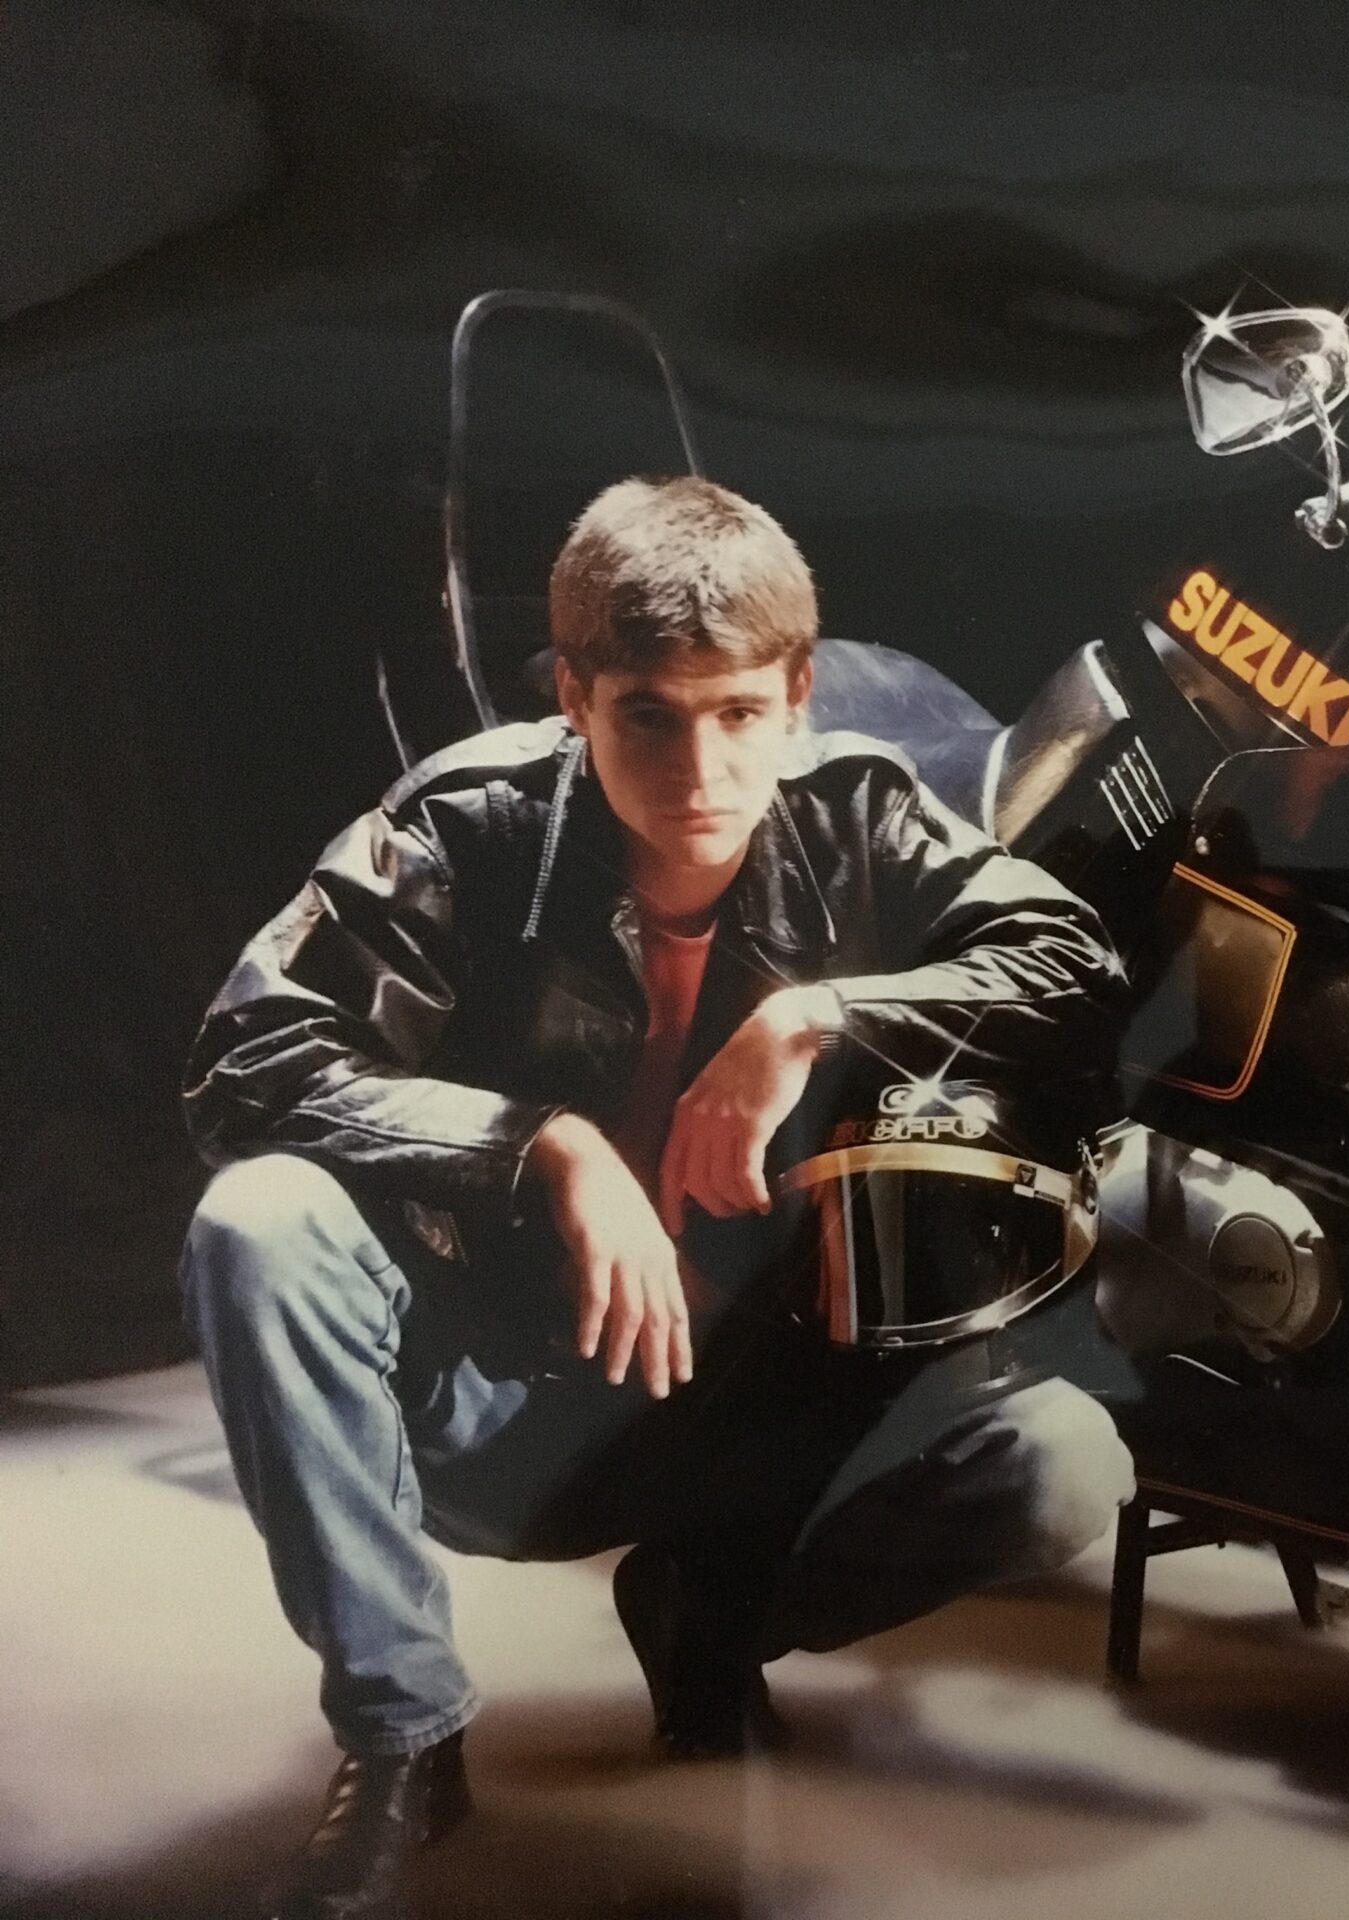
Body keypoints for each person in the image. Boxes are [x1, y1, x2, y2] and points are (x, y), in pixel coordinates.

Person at [178, 475, 1136, 1920]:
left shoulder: (858, 807)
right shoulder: (467, 821)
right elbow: (245, 1060)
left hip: (758, 1391)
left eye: (741, 711)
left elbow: (1072, 965)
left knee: (1066, 1461)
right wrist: (539, 1144)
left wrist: (815, 1017)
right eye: (649, 715)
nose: (702, 767)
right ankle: (404, 1743)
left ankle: (710, 1610)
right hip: (502, 1394)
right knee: (260, 1222)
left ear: (798, 692)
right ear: (575, 695)